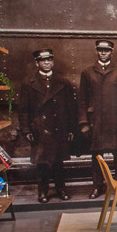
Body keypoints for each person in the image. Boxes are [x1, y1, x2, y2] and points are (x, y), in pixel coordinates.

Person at [16, 48, 77, 202]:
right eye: (43, 60)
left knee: (58, 162)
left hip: (59, 128)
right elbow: (23, 110)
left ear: (53, 62)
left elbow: (71, 108)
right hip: (39, 129)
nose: (47, 63)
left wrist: (71, 129)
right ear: (37, 63)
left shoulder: (63, 82)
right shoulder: (29, 83)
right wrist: (26, 130)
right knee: (41, 163)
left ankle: (61, 189)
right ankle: (42, 191)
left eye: (49, 60)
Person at [78, 39, 117, 198]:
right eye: (100, 50)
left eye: (106, 50)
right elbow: (82, 99)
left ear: (111, 53)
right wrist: (84, 122)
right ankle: (97, 186)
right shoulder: (87, 72)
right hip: (96, 122)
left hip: (115, 122)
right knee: (97, 156)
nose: (103, 53)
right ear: (96, 51)